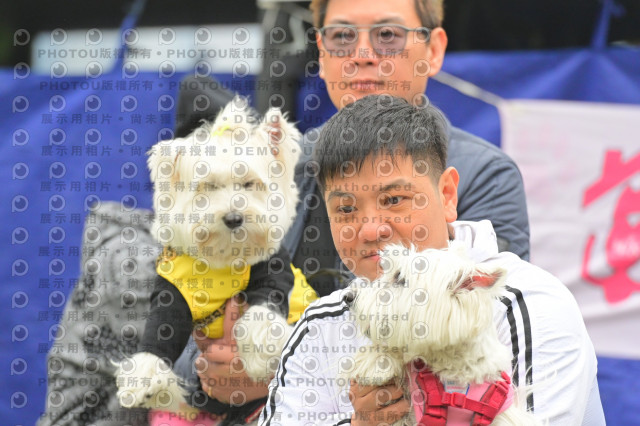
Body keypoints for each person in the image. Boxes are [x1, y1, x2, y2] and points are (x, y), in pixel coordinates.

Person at [193, 0, 530, 419]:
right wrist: (212, 370)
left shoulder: (486, 175)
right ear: (321, 52)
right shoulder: (277, 167)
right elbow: (197, 314)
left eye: (388, 35)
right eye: (341, 36)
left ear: (434, 49)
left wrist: (278, 370)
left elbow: (478, 328)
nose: (363, 54)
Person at [259, 94, 604, 425]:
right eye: (346, 209)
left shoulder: (526, 305)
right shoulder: (321, 325)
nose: (371, 229)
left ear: (447, 195)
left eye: (394, 200)